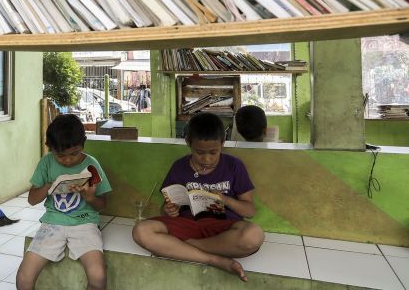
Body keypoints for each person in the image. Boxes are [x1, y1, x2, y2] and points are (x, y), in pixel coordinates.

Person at [132, 113, 264, 282]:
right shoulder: (179, 166)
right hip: (187, 223)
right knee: (141, 230)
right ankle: (214, 259)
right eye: (200, 152)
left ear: (223, 143)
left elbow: (250, 210)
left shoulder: (234, 165)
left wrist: (225, 200)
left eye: (213, 152)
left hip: (224, 227)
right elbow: (164, 209)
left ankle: (183, 247)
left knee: (254, 236)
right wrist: (168, 210)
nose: (207, 159)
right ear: (188, 143)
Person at [16, 114, 112, 290]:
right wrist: (49, 187)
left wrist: (90, 198)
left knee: (98, 277)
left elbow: (103, 205)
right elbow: (31, 200)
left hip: (85, 222)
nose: (68, 160)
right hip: (52, 224)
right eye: (60, 155)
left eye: (74, 153)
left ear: (83, 143)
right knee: (23, 277)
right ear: (50, 148)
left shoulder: (91, 165)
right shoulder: (46, 163)